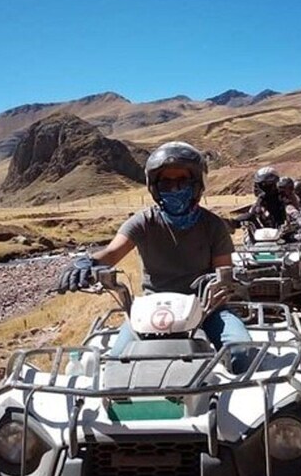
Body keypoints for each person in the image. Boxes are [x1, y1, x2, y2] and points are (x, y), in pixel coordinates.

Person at [57, 141, 251, 372]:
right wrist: (87, 263)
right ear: (155, 187)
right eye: (166, 182)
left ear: (196, 184)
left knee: (241, 353)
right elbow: (111, 252)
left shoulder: (213, 225)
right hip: (152, 310)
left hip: (206, 308)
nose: (175, 188)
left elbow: (223, 277)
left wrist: (216, 294)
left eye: (182, 181)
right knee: (117, 365)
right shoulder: (143, 221)